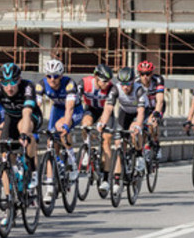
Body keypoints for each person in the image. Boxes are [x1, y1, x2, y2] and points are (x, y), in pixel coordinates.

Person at [35, 59, 83, 202]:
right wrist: (35, 126)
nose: (52, 79)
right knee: (51, 144)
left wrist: (67, 125)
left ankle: (73, 161)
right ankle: (50, 186)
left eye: (55, 76)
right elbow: (37, 107)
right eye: (49, 76)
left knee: (61, 128)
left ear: (61, 76)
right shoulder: (41, 84)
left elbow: (69, 108)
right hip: (57, 109)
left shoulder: (69, 84)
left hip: (74, 110)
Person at [0, 63, 42, 221]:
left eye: (12, 82)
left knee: (25, 130)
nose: (9, 87)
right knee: (4, 154)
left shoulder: (27, 87)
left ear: (19, 80)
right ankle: (10, 203)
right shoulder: (0, 89)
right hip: (10, 117)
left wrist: (23, 134)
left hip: (30, 117)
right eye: (4, 83)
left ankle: (32, 172)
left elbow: (27, 111)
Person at [100, 67, 148, 195]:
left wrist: (138, 124)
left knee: (134, 130)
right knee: (118, 145)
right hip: (125, 112)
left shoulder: (139, 89)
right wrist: (102, 122)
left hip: (139, 112)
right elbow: (109, 107)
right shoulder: (116, 89)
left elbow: (141, 112)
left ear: (133, 81)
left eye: (128, 84)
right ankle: (116, 180)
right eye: (123, 84)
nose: (125, 87)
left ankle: (139, 155)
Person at [79, 64, 117, 193]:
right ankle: (87, 148)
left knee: (106, 140)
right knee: (86, 123)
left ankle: (106, 179)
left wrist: (102, 123)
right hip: (91, 109)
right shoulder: (84, 83)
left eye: (109, 81)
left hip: (105, 111)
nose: (107, 84)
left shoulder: (111, 88)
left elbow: (108, 108)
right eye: (104, 81)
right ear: (96, 77)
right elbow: (75, 101)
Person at [137, 60, 165, 161]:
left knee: (152, 123)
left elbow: (160, 100)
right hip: (143, 107)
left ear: (152, 74)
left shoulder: (158, 80)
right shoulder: (136, 82)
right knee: (141, 128)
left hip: (155, 106)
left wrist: (157, 113)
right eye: (142, 74)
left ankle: (156, 144)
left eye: (148, 74)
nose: (145, 76)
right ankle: (144, 149)